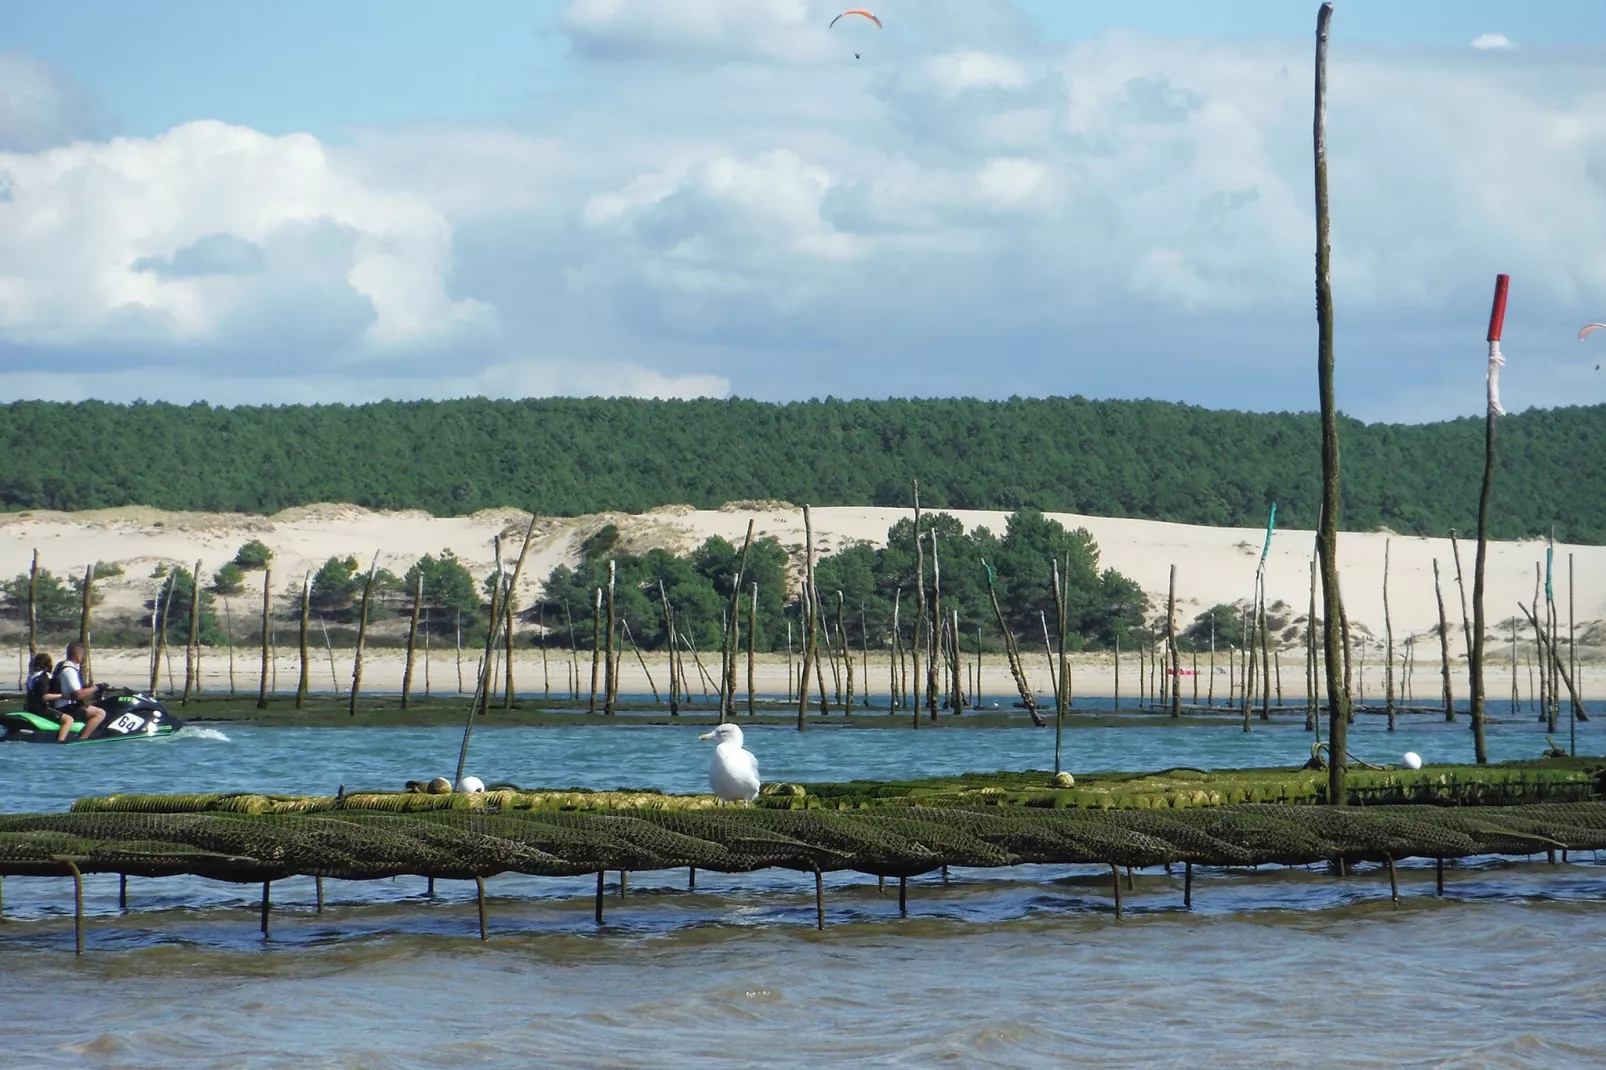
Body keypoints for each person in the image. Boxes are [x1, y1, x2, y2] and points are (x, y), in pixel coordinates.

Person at [51, 641, 106, 744]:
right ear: (78, 656)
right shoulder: (69, 671)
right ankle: (83, 739)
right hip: (65, 708)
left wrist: (89, 688)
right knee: (100, 713)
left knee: (91, 707)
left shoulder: (60, 666)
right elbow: (78, 694)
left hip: (60, 705)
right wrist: (96, 688)